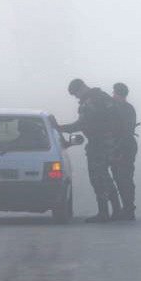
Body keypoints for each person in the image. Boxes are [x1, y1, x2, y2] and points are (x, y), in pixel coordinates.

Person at [56, 78, 122, 223]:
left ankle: (104, 213)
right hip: (111, 144)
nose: (76, 97)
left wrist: (59, 128)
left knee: (98, 178)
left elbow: (80, 124)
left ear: (80, 89)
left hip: (98, 145)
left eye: (75, 94)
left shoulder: (90, 102)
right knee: (105, 177)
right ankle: (117, 210)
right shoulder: (102, 97)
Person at [110, 82, 138, 221]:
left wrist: (118, 150)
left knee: (124, 179)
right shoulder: (118, 108)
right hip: (117, 147)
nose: (112, 95)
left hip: (125, 148)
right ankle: (126, 208)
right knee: (119, 178)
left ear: (118, 94)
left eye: (114, 93)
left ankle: (128, 208)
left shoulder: (126, 109)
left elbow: (127, 132)